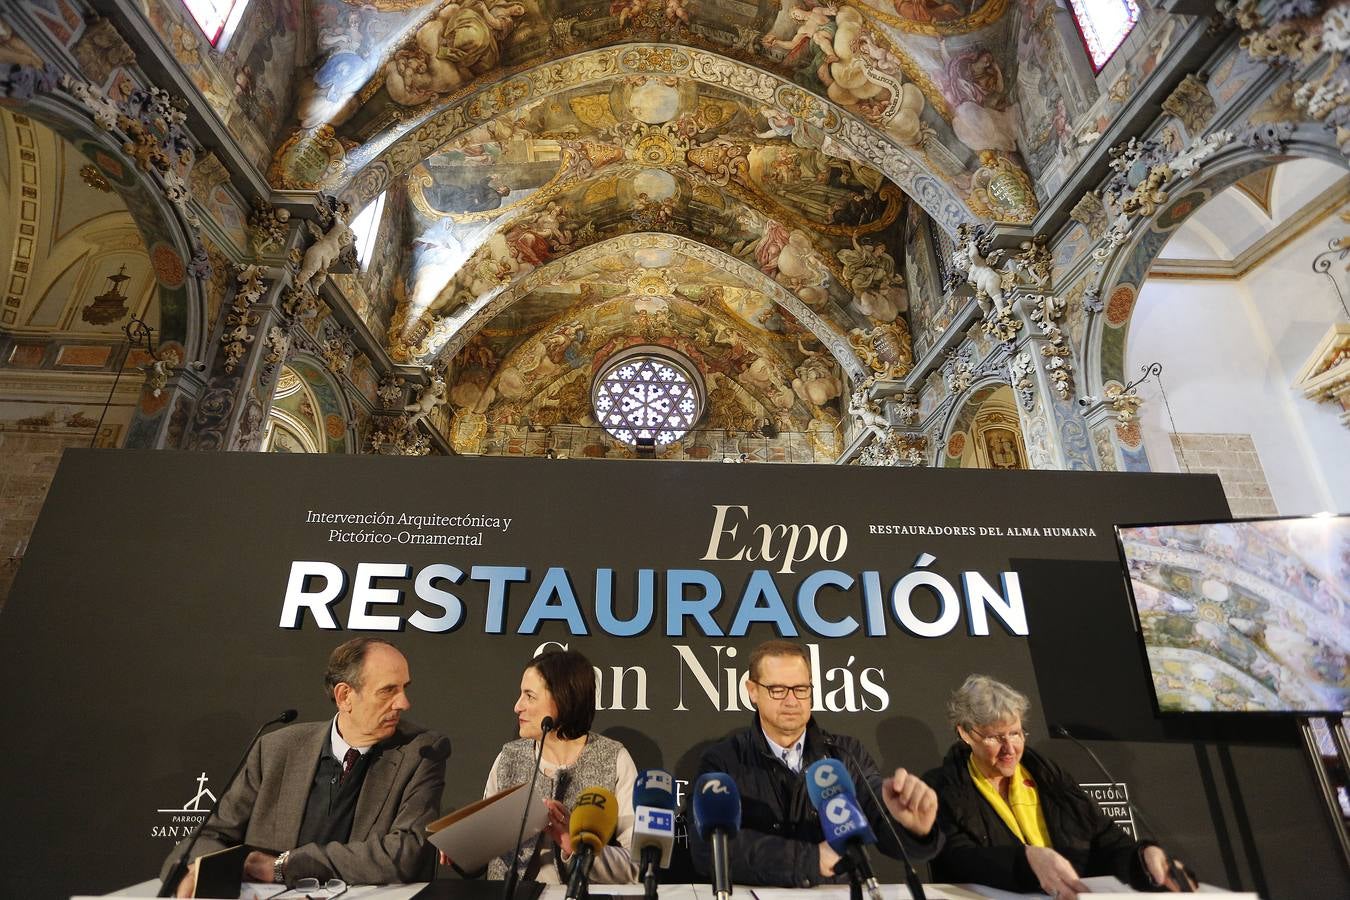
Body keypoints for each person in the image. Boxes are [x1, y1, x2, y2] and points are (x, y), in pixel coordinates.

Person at [160, 638, 450, 896]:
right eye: (388, 691)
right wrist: (193, 871)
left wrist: (283, 866)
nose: (404, 702)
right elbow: (209, 836)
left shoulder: (421, 751)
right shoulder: (276, 749)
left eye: (404, 688)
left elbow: (406, 853)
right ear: (345, 696)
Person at [688, 640, 941, 887]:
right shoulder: (723, 759)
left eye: (801, 689)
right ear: (752, 691)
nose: (791, 701)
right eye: (777, 690)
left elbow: (882, 823)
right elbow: (706, 848)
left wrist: (914, 830)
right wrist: (810, 860)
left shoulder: (846, 753)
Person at [923, 675, 1194, 898]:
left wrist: (1142, 857)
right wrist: (1028, 861)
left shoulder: (1048, 777)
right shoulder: (942, 787)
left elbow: (1102, 838)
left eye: (1016, 733)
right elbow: (959, 860)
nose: (1010, 749)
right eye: (995, 737)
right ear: (965, 733)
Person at [483, 649, 638, 883]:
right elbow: (485, 844)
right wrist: (463, 847)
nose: (517, 706)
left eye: (530, 696)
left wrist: (574, 846)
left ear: (564, 698)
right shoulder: (508, 758)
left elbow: (635, 866)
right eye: (520, 694)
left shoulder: (615, 758)